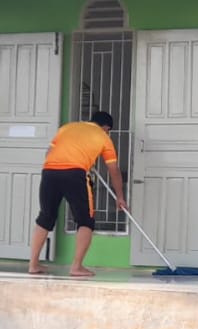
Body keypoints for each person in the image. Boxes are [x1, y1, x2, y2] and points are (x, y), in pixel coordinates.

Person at [29, 111, 127, 277]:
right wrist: (120, 197)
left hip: (49, 172)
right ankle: (76, 267)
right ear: (106, 128)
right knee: (85, 220)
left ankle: (33, 264)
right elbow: (114, 170)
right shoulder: (103, 137)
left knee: (45, 217)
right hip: (75, 174)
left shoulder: (66, 128)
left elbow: (48, 153)